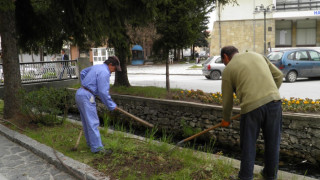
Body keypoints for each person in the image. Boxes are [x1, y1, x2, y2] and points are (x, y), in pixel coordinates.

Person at [220, 46, 283, 180]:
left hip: (251, 108)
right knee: (273, 142)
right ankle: (270, 175)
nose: (224, 63)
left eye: (223, 61)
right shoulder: (257, 56)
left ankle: (245, 177)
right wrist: (268, 96)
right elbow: (279, 76)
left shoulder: (228, 70)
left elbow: (227, 101)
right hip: (274, 102)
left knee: (248, 144)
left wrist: (226, 119)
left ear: (225, 57)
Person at [75, 56, 121, 154]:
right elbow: (103, 92)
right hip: (87, 96)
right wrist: (112, 106)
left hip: (80, 93)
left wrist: (86, 86)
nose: (114, 71)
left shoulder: (97, 67)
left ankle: (91, 144)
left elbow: (83, 72)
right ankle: (97, 148)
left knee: (87, 122)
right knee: (93, 123)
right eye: (114, 69)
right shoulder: (105, 72)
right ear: (110, 65)